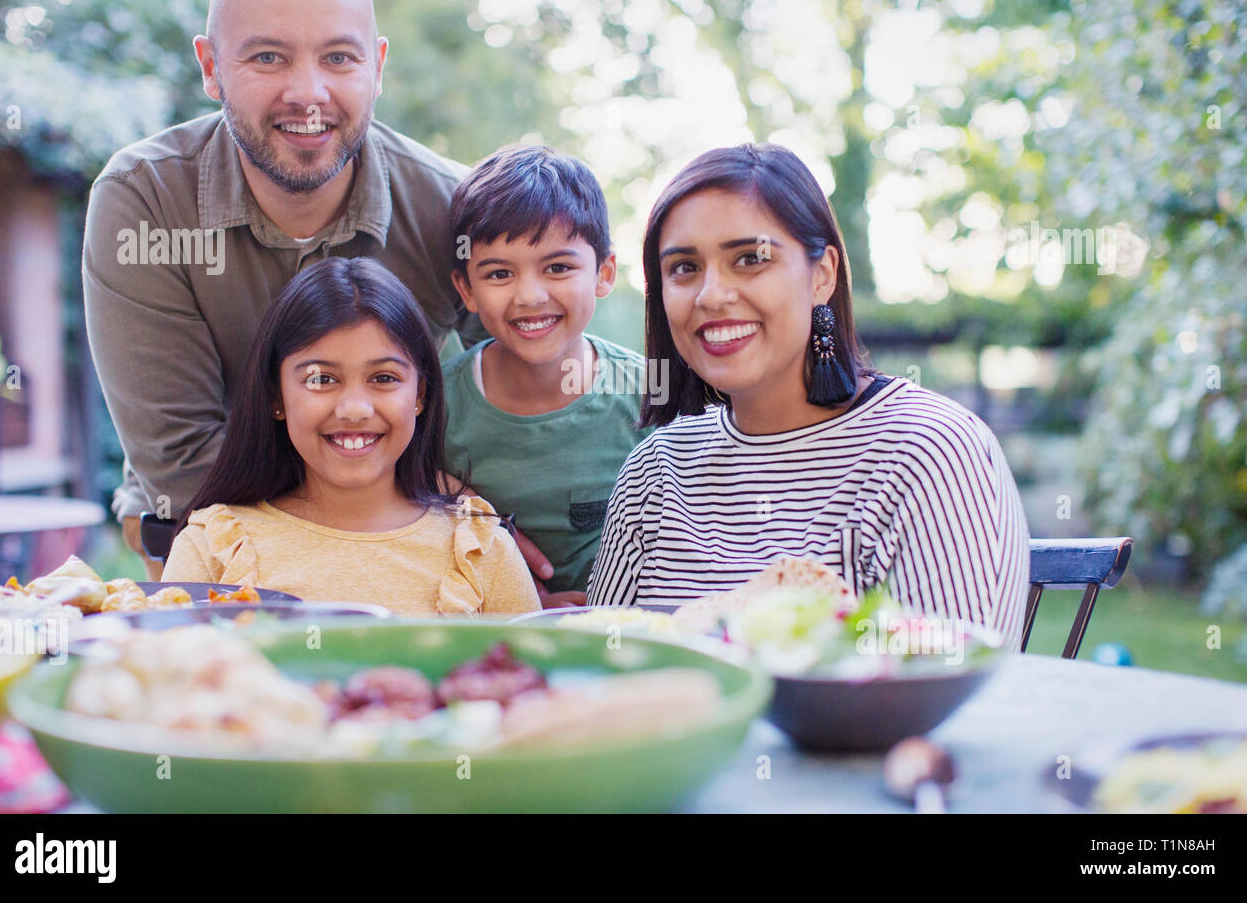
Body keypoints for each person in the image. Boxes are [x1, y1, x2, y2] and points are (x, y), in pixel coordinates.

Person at [82, 0, 494, 580]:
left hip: (412, 543)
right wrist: (395, 504)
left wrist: (494, 517)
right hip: (211, 543)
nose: (308, 94)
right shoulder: (143, 201)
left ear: (377, 67)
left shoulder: (451, 207)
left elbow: (533, 379)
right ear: (211, 67)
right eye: (268, 57)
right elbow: (185, 460)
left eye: (338, 57)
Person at [587, 144, 1029, 645]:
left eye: (750, 259)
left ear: (822, 275)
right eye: (684, 268)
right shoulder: (654, 473)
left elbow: (942, 688)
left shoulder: (929, 452)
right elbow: (601, 668)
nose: (711, 294)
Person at [161, 257, 540, 616]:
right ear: (276, 397)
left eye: (383, 378)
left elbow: (537, 679)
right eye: (322, 379)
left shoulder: (480, 549)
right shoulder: (211, 547)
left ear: (419, 396)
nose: (355, 408)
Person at [443, 145, 655, 607]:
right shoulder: (435, 404)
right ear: (467, 290)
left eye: (558, 267)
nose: (530, 296)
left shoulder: (650, 395)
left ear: (604, 273)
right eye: (499, 273)